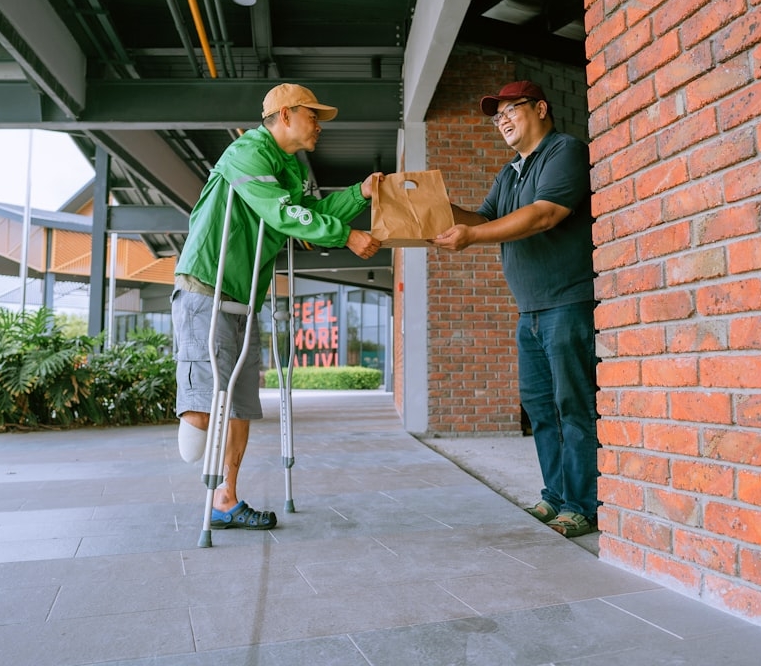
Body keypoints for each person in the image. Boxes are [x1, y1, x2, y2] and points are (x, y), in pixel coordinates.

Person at [173, 83, 382, 530]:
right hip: (203, 289)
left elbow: (311, 211)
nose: (319, 125)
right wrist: (347, 236)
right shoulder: (248, 152)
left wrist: (360, 193)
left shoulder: (289, 169)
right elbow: (283, 215)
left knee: (243, 405)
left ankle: (225, 499)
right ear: (285, 115)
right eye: (313, 115)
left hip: (244, 299)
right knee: (204, 409)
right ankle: (205, 474)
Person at [431, 80, 598, 538]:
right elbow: (483, 219)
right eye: (496, 114)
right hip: (530, 313)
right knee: (541, 410)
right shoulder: (510, 174)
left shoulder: (564, 151)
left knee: (573, 408)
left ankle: (582, 505)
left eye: (511, 109)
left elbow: (545, 214)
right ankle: (555, 497)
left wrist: (470, 239)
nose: (501, 119)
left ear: (541, 108)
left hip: (568, 303)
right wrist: (432, 209)